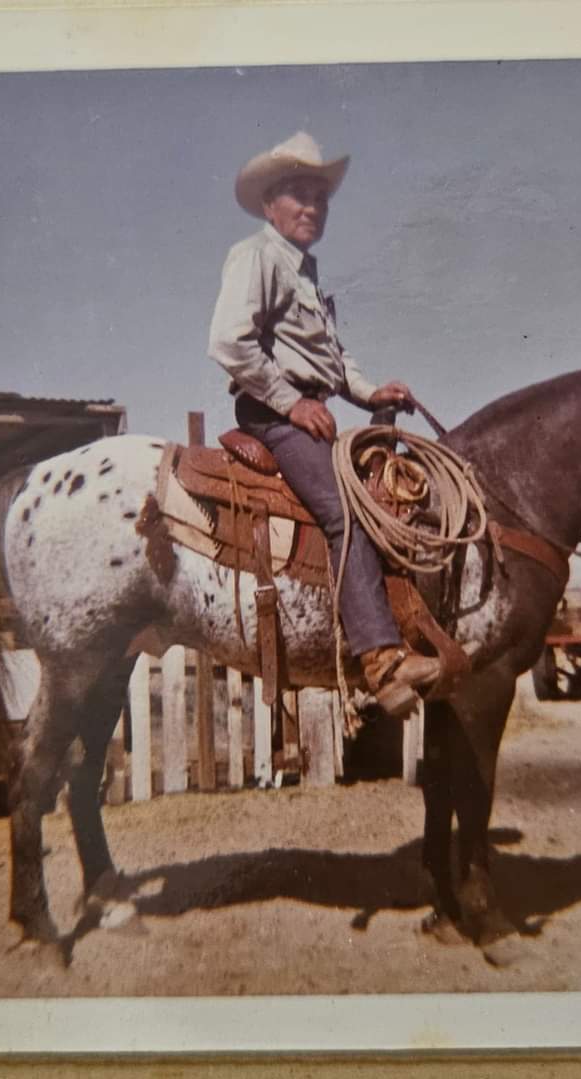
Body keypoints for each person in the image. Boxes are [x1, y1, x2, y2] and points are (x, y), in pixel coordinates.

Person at [208, 131, 440, 717]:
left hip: (308, 411)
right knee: (347, 512)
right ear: (270, 205)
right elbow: (229, 343)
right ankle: (380, 660)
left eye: (320, 197)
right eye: (297, 195)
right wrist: (290, 403)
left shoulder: (306, 273)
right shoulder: (257, 257)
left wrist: (368, 392)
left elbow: (332, 362)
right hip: (274, 414)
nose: (311, 206)